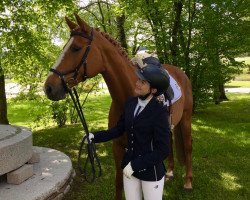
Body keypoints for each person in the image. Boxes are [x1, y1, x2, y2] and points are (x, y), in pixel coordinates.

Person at [87, 61, 170, 200]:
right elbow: (119, 129)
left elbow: (163, 150)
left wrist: (135, 165)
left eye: (143, 82)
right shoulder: (130, 103)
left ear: (153, 90)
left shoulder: (160, 112)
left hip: (150, 172)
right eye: (138, 79)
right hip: (129, 169)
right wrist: (94, 136)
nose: (137, 83)